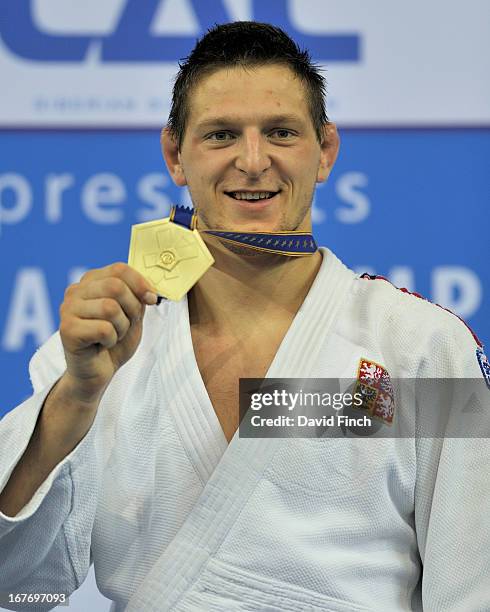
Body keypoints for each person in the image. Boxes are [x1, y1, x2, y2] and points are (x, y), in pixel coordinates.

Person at [0, 21, 489, 612]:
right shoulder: (101, 350)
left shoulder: (423, 347)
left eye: (281, 132)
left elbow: (473, 588)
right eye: (221, 135)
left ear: (325, 152)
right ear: (175, 156)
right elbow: (17, 590)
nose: (252, 161)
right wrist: (76, 397)